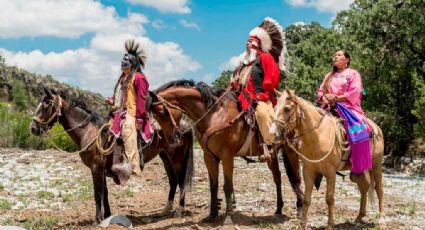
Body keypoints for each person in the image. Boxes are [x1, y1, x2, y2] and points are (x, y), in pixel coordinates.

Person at [230, 17, 288, 159]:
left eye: (251, 41)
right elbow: (234, 81)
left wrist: (264, 94)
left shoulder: (266, 58)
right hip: (239, 97)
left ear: (258, 43)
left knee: (262, 113)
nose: (247, 43)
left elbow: (272, 78)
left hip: (259, 97)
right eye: (247, 41)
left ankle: (270, 144)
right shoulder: (243, 63)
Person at [317, 49, 372, 182]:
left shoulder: (353, 74)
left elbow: (355, 92)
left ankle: (357, 167)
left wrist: (336, 98)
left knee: (360, 131)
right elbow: (320, 92)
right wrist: (325, 98)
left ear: (347, 60)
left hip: (349, 107)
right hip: (328, 107)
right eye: (334, 55)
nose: (335, 57)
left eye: (339, 55)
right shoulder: (328, 76)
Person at [106, 39, 152, 185]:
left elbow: (141, 99)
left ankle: (132, 166)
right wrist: (112, 101)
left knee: (127, 129)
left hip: (132, 113)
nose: (123, 62)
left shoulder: (138, 78)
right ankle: (112, 163)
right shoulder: (123, 78)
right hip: (119, 112)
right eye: (122, 60)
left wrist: (139, 119)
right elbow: (120, 96)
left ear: (133, 63)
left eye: (126, 61)